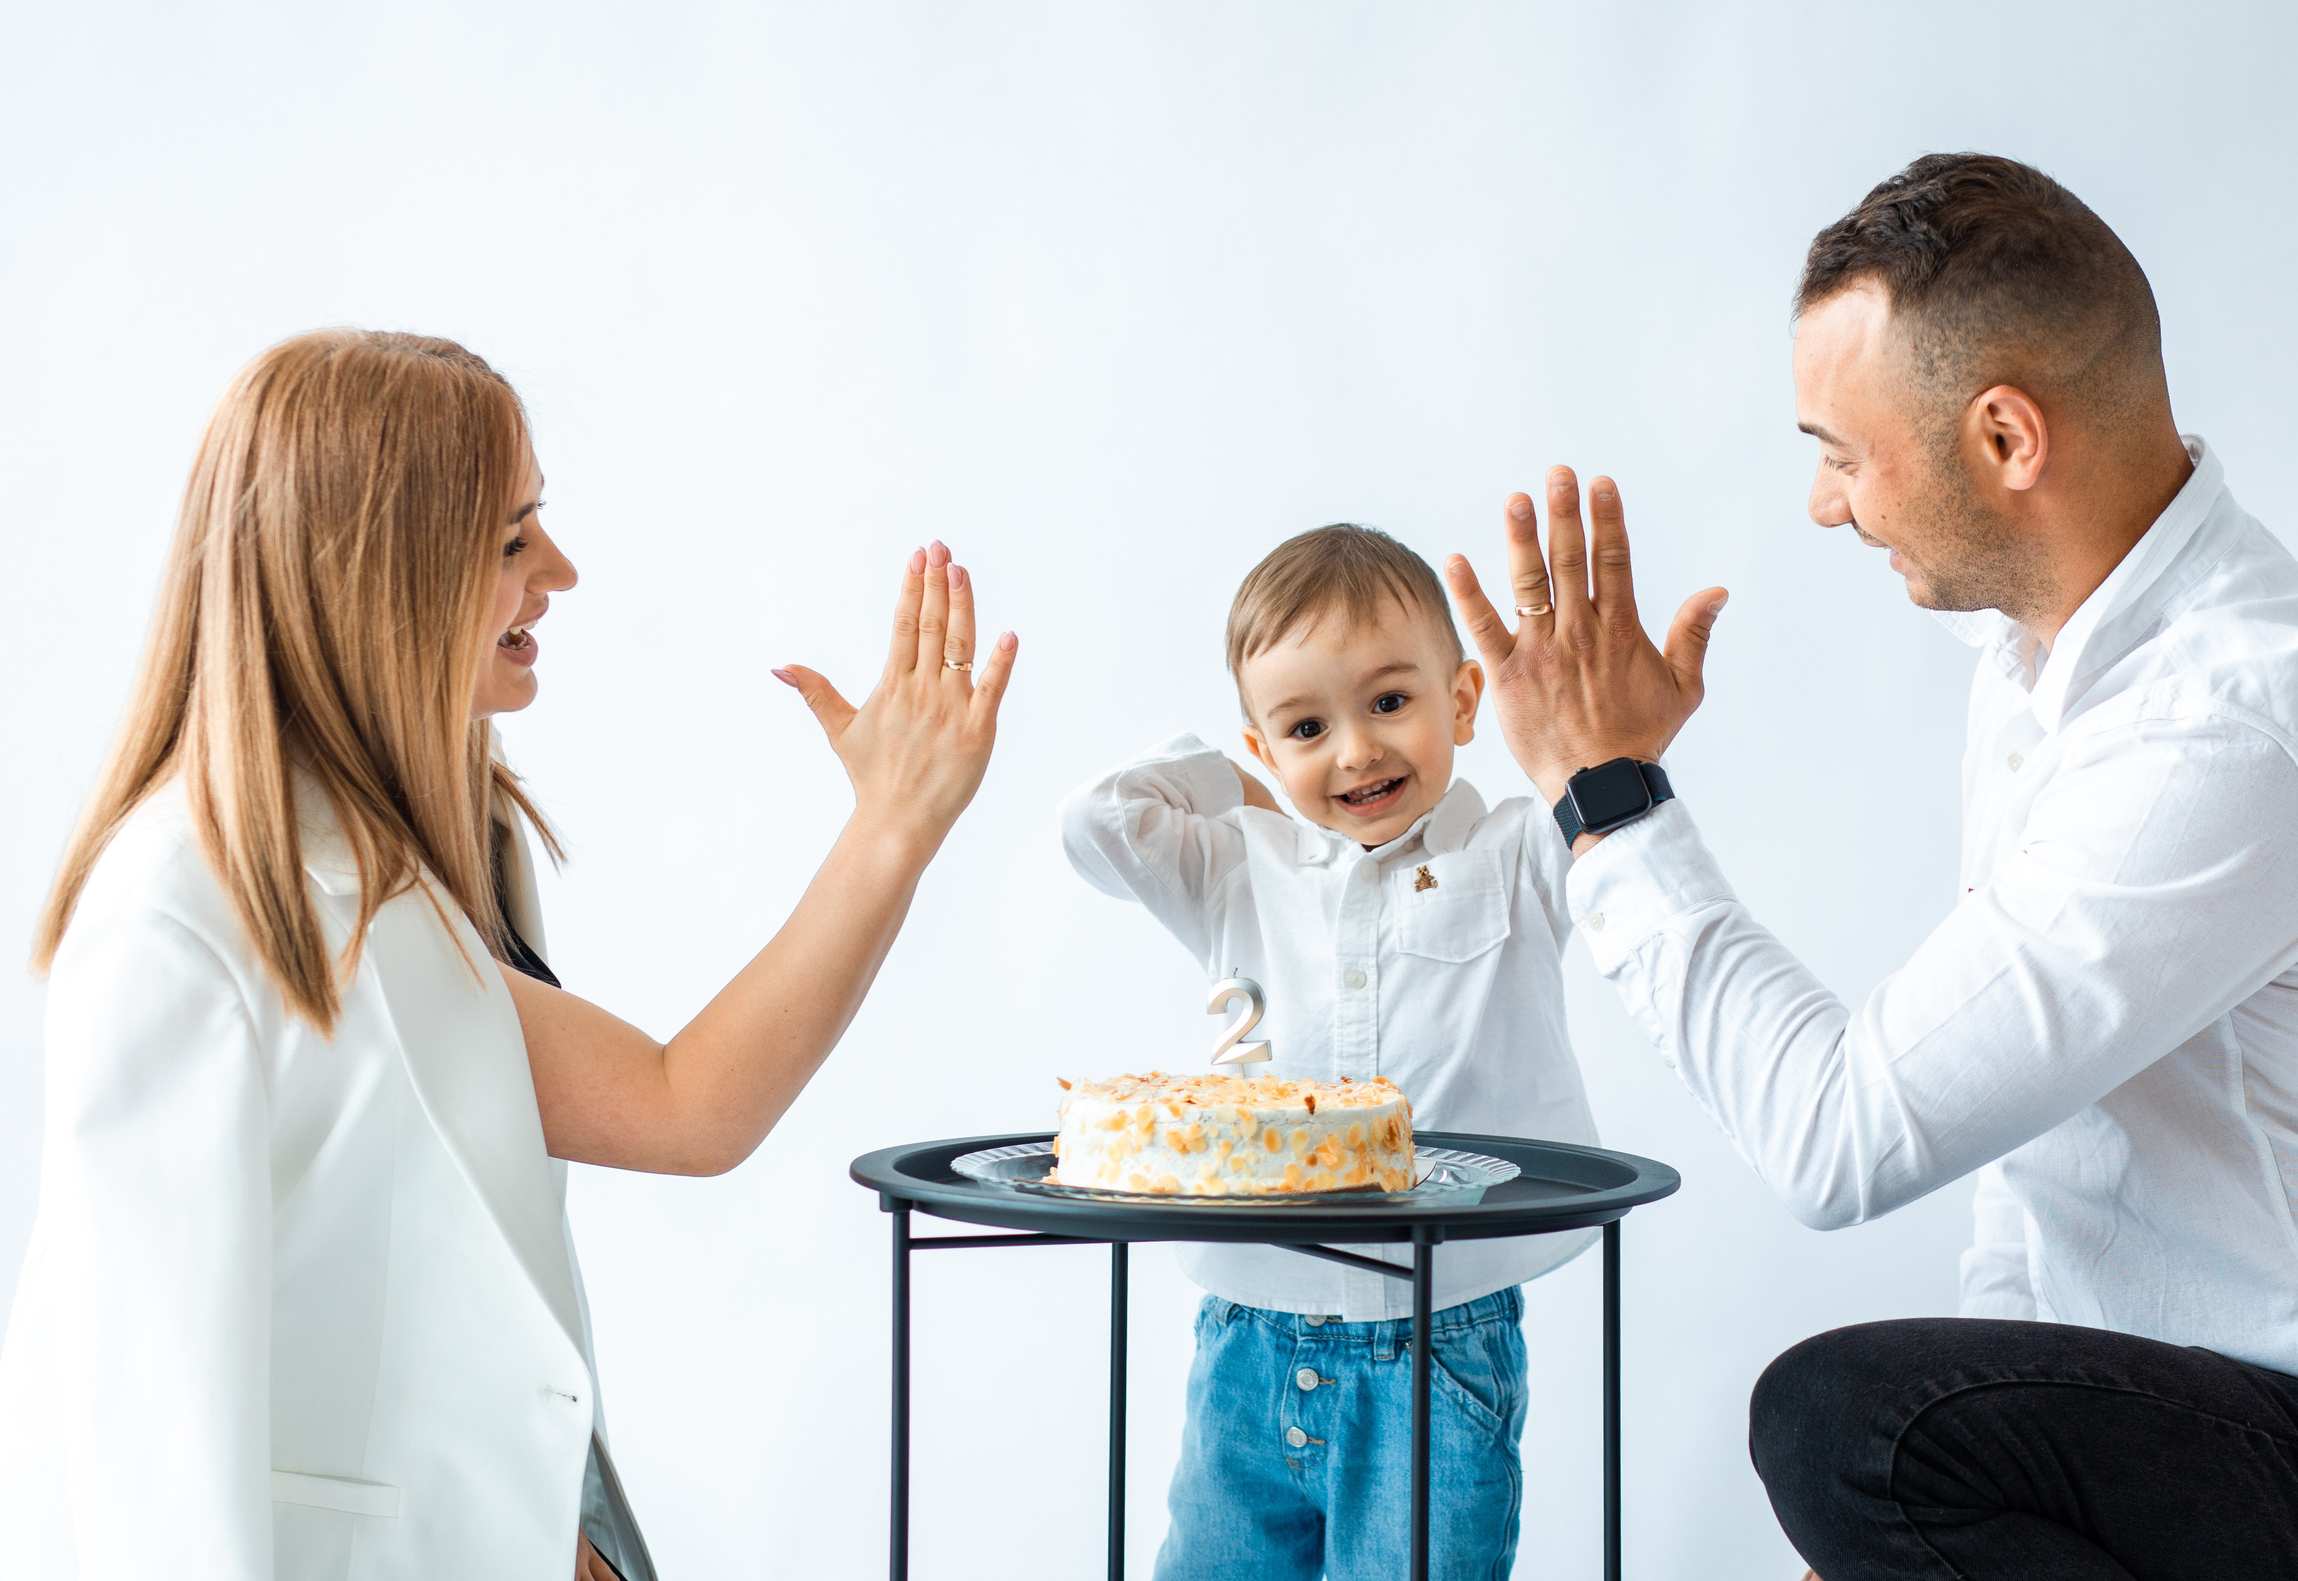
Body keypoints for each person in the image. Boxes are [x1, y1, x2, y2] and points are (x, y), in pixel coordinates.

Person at [1441, 154, 2298, 1580]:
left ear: (2007, 438)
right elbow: (2041, 1190)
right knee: (1887, 1440)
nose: (1823, 506)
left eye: (1842, 453)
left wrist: (1608, 800)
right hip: (2206, 1450)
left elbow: (1837, 1139)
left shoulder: (2228, 727)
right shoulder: (2043, 658)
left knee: (1845, 1420)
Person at [0, 329, 1016, 1580]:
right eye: (511, 540)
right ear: (374, 570)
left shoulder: (436, 851)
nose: (563, 572)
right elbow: (138, 1420)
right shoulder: (178, 909)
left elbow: (679, 1111)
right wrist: (890, 832)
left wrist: (893, 832)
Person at [1059, 524, 1601, 1581]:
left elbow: (1613, 824)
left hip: (1437, 1341)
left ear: (1462, 702)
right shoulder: (1235, 865)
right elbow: (1096, 823)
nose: (1355, 751)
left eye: (1389, 703)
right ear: (1263, 749)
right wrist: (1232, 779)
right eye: (1307, 725)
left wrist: (1582, 729)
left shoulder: (1515, 853)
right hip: (1248, 1335)